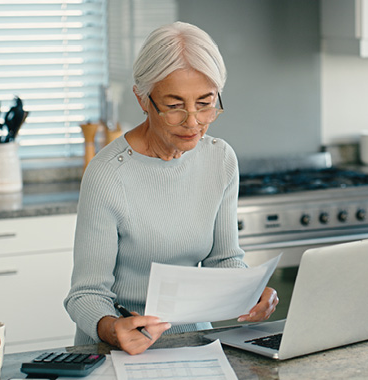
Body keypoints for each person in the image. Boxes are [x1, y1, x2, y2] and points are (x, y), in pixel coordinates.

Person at [64, 21, 278, 355]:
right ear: (142, 99)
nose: (193, 122)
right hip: (118, 350)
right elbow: (85, 295)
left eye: (205, 103)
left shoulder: (220, 159)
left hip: (195, 344)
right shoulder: (107, 174)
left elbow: (223, 260)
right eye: (175, 105)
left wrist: (251, 291)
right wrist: (110, 328)